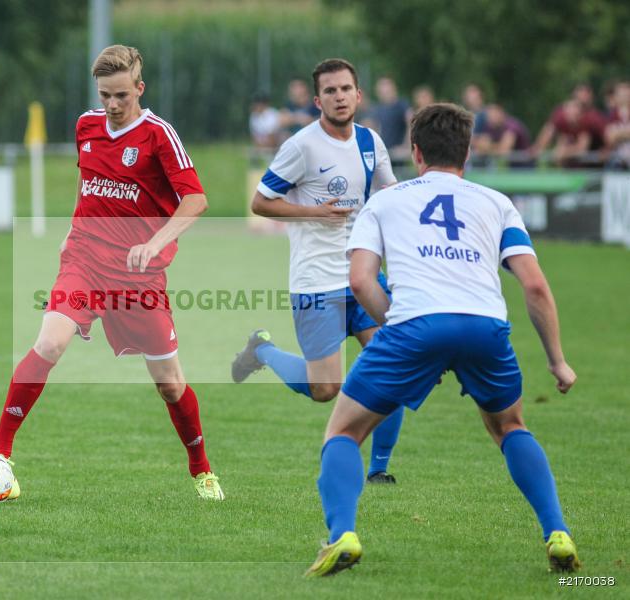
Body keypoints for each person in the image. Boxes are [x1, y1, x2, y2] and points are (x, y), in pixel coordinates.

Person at [305, 103, 579, 577]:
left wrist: (397, 328)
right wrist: (557, 361)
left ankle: (342, 535)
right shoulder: (496, 202)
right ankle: (557, 533)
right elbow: (534, 285)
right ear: (468, 153)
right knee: (510, 426)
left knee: (344, 432)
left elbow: (360, 281)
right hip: (485, 327)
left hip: (416, 324)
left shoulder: (385, 202)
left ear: (415, 152)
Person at [0, 45, 224, 501]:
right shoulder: (86, 125)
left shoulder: (159, 135)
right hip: (85, 261)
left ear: (139, 88)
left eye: (120, 95)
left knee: (170, 385)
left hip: (140, 278)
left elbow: (196, 199)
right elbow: (88, 178)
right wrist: (73, 229)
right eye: (104, 95)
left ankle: (202, 469)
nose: (112, 106)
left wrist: (155, 242)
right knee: (49, 342)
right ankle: (0, 452)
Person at [232, 58, 405, 484]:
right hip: (315, 280)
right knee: (324, 389)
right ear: (317, 100)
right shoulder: (301, 146)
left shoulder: (371, 144)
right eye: (330, 91)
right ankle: (262, 351)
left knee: (393, 367)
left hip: (362, 275)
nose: (340, 96)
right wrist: (314, 212)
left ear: (358, 95)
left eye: (346, 89)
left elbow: (390, 195)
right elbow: (260, 202)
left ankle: (379, 470)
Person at [370, 76, 409, 152]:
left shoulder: (402, 106)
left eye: (387, 90)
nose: (385, 93)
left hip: (398, 154)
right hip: (383, 151)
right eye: (382, 91)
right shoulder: (377, 109)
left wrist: (406, 146)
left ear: (394, 89)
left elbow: (411, 123)